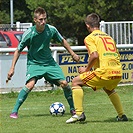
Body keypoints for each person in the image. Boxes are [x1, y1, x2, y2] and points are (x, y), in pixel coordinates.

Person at [7, 7, 80, 119]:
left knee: (65, 83)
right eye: (41, 19)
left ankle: (73, 109)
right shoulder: (29, 33)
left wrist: (73, 54)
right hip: (35, 64)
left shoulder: (51, 30)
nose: (43, 22)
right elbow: (18, 50)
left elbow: (62, 41)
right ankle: (14, 111)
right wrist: (12, 68)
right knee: (30, 85)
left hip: (50, 63)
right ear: (35, 20)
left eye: (45, 19)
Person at [66, 13, 128, 123]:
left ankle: (79, 114)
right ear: (98, 24)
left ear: (87, 25)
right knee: (109, 89)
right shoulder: (108, 37)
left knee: (75, 82)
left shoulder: (89, 38)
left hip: (105, 72)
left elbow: (94, 55)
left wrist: (86, 70)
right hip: (118, 71)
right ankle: (121, 115)